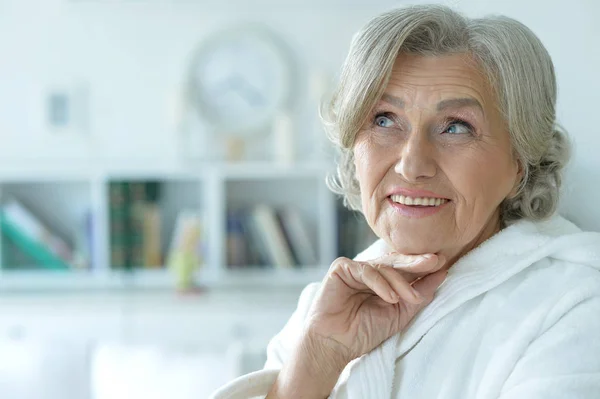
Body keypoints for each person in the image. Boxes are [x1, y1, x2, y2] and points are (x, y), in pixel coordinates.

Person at [211, 4, 600, 399]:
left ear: (520, 162)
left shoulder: (577, 305)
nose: (412, 164)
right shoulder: (322, 307)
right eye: (383, 120)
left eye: (456, 127)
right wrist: (318, 357)